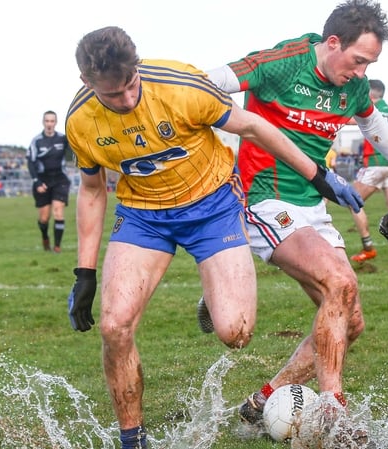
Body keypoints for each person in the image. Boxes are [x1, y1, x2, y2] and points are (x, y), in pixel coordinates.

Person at [64, 26, 363, 449]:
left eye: (132, 85)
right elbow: (93, 191)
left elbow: (255, 127)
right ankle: (132, 438)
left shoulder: (181, 86)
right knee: (114, 327)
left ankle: (214, 289)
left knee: (235, 333)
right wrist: (84, 272)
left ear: (137, 67)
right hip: (143, 216)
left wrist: (318, 174)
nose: (127, 100)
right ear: (87, 83)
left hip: (213, 207)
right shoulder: (80, 120)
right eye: (113, 96)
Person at [202, 0, 388, 433]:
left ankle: (261, 402)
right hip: (265, 198)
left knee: (350, 320)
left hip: (314, 205)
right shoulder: (283, 63)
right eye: (359, 60)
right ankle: (335, 415)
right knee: (340, 284)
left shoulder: (354, 85)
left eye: (371, 64)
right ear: (333, 43)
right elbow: (211, 83)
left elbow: (374, 126)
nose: (362, 72)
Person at [349, 79, 388, 264]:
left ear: (370, 94)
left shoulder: (372, 110)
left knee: (353, 202)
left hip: (375, 163)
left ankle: (368, 248)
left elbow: (347, 119)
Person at [27, 110, 72, 253]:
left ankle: (57, 247)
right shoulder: (37, 141)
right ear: (43, 122)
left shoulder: (63, 139)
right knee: (44, 217)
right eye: (47, 121)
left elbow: (73, 153)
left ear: (56, 123)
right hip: (43, 180)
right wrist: (37, 182)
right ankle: (45, 237)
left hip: (60, 179)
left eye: (52, 121)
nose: (49, 124)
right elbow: (30, 162)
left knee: (58, 212)